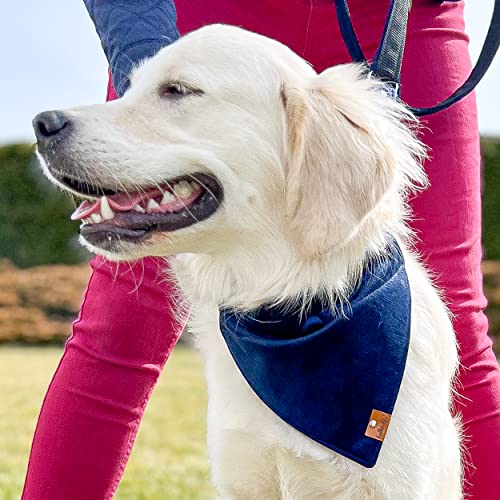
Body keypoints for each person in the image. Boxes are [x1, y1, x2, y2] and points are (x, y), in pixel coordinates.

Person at [22, 1, 500, 498]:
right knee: (121, 320)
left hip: (400, 14)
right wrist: (152, 59)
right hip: (204, 9)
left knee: (456, 318)